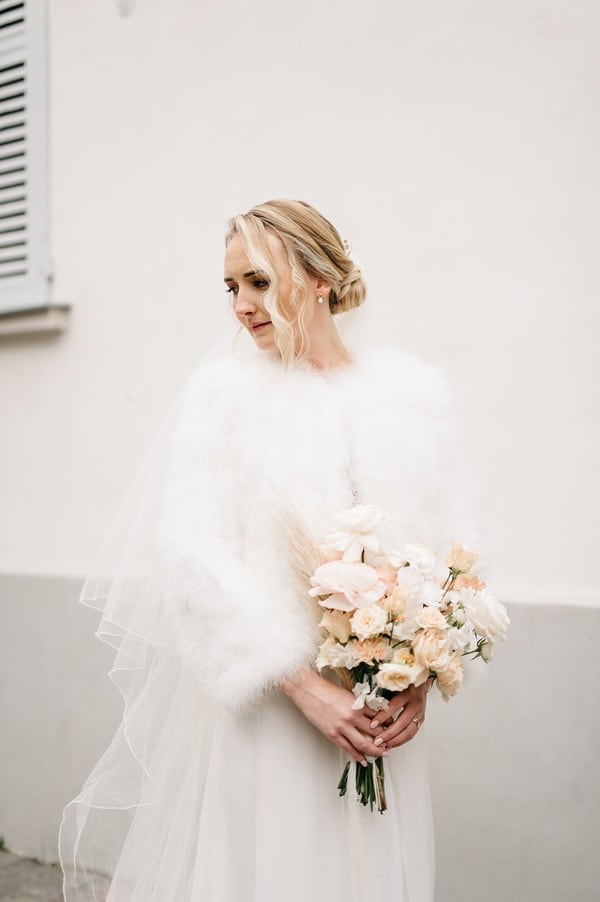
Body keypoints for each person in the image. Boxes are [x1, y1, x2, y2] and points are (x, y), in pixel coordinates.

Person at [60, 199, 478, 902]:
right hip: (277, 714)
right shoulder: (224, 399)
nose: (241, 305)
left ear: (318, 277)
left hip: (380, 718)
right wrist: (305, 689)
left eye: (256, 280)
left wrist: (423, 676)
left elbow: (451, 553)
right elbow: (192, 559)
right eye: (231, 288)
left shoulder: (412, 396)